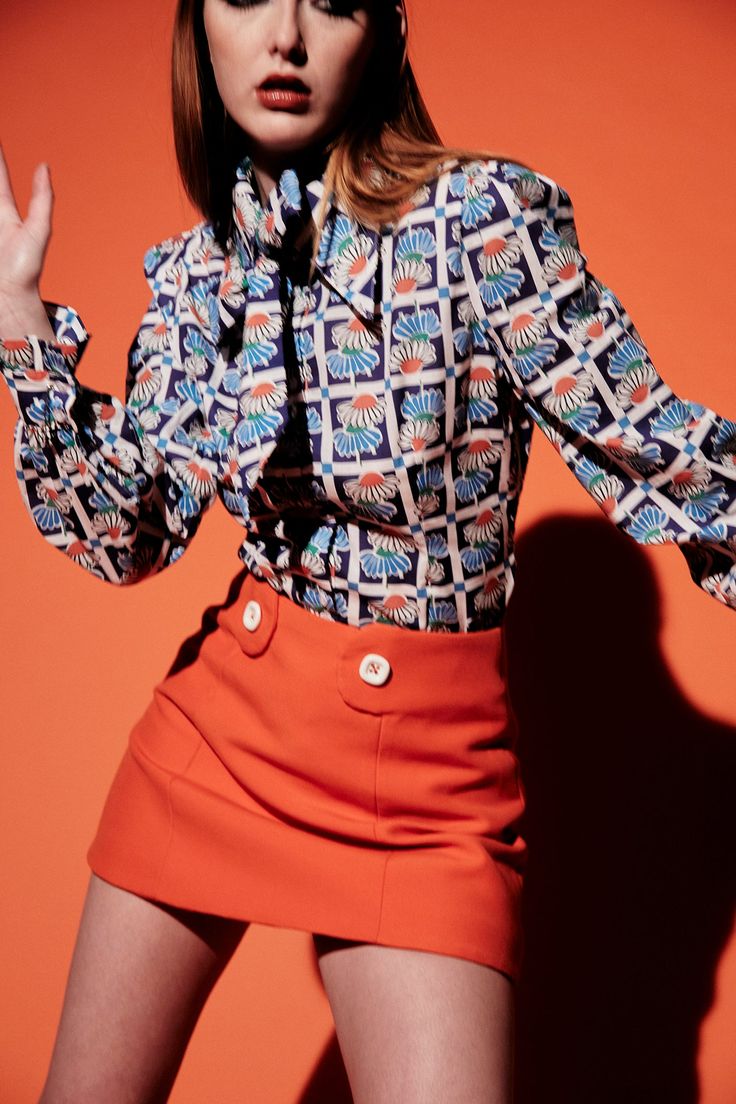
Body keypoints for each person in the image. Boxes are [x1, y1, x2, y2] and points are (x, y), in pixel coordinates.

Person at [1, 1, 735, 1101]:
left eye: (331, 1)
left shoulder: (483, 222)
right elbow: (125, 532)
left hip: (430, 793)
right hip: (224, 739)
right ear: (198, 28)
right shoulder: (201, 279)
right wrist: (19, 335)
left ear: (382, 33)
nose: (285, 37)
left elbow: (654, 446)